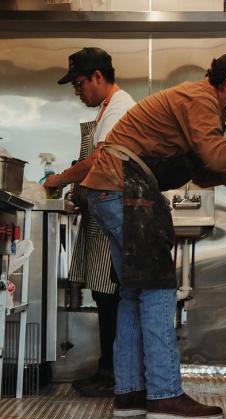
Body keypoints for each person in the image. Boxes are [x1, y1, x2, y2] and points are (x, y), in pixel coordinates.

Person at [49, 51, 226, 419]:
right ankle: (165, 395)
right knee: (157, 289)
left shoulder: (201, 104)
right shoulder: (201, 98)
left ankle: (131, 393)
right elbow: (217, 157)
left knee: (134, 293)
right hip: (125, 188)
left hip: (110, 190)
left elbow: (204, 172)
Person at [45, 47, 135, 397]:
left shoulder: (119, 107)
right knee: (104, 294)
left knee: (112, 296)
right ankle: (109, 370)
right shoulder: (105, 111)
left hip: (113, 213)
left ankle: (113, 373)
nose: (78, 91)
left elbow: (101, 158)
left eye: (80, 83)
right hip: (101, 215)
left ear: (99, 76)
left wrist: (62, 178)